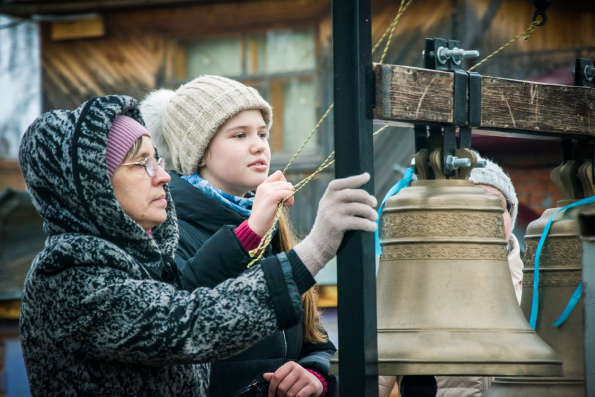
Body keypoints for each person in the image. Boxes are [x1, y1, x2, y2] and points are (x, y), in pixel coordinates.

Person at [18, 94, 378, 395]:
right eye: (140, 164)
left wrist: (310, 372)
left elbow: (188, 292)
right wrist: (315, 249)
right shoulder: (70, 274)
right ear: (95, 186)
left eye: (156, 159)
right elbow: (193, 323)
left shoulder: (144, 257)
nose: (161, 175)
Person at [140, 75, 341, 396]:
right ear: (199, 152)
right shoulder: (162, 227)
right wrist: (250, 231)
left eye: (263, 133)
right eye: (239, 134)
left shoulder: (268, 219)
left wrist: (313, 373)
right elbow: (176, 322)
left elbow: (312, 335)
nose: (259, 144)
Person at [378, 152, 523, 397]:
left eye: (496, 204)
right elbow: (369, 383)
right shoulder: (410, 282)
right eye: (474, 204)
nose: (486, 216)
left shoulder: (539, 285)